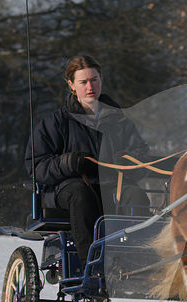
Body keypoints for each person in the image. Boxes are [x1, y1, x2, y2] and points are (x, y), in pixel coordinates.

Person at [25, 54, 149, 266]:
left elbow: (142, 158)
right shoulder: (57, 123)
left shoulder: (120, 121)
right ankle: (91, 266)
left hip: (113, 188)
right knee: (81, 196)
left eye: (94, 80)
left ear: (101, 80)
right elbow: (35, 165)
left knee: (136, 195)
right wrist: (67, 163)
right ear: (72, 85)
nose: (90, 86)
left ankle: (134, 263)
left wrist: (130, 162)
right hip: (69, 190)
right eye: (83, 82)